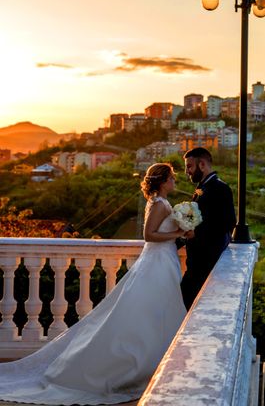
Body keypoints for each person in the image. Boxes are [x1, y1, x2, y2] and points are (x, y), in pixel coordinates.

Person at [0, 163, 188, 405]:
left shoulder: (160, 202)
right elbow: (149, 236)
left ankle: (157, 364)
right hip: (157, 262)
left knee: (155, 314)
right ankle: (136, 368)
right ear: (163, 181)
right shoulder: (160, 204)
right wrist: (178, 234)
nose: (175, 181)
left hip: (164, 261)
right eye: (172, 178)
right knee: (147, 314)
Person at [180, 147, 236, 310]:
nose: (187, 171)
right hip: (197, 262)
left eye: (189, 166)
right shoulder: (202, 188)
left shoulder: (220, 188)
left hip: (208, 262)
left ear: (202, 165)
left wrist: (196, 233)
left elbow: (228, 222)